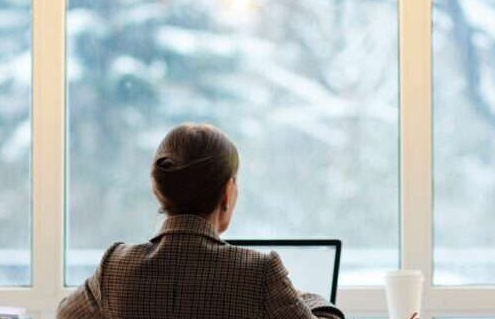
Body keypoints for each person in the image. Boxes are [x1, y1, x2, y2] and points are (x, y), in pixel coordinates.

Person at [58, 123, 344, 319]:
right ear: (228, 192)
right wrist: (298, 295)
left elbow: (64, 314)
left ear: (158, 189)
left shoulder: (116, 266)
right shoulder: (260, 273)